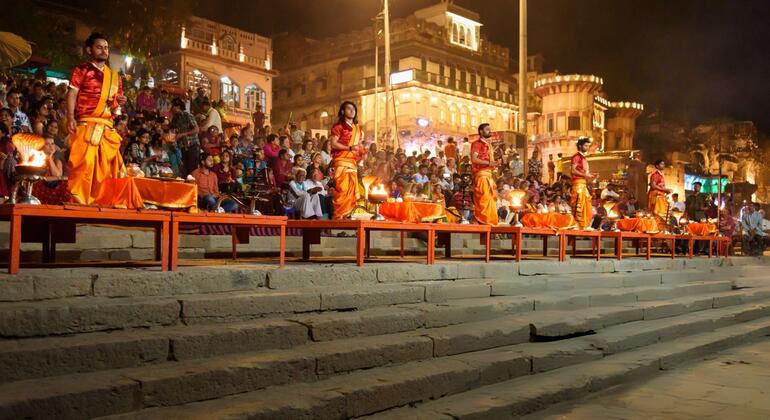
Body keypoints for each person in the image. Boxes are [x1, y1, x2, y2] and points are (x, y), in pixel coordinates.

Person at [65, 32, 143, 208]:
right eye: (99, 47)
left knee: (108, 168)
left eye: (106, 48)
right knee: (84, 165)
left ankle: (105, 202)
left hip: (107, 128)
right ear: (89, 50)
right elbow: (72, 94)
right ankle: (79, 202)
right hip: (86, 123)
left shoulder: (114, 76)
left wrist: (119, 102)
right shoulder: (81, 70)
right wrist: (70, 117)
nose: (104, 51)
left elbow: (116, 107)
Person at [329, 101, 363, 219]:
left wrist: (362, 153)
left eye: (354, 109)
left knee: (352, 190)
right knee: (343, 189)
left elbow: (358, 146)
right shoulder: (338, 127)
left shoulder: (357, 129)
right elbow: (333, 144)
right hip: (341, 161)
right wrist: (349, 148)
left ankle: (349, 215)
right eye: (349, 108)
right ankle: (339, 216)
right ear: (343, 111)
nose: (352, 111)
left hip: (352, 162)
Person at [470, 123, 499, 225]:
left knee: (491, 199)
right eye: (487, 129)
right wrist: (489, 163)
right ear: (481, 132)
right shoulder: (477, 144)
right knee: (484, 198)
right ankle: (483, 221)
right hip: (481, 175)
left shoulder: (488, 145)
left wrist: (494, 164)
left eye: (489, 129)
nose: (489, 131)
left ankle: (490, 223)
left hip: (489, 175)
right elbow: (474, 159)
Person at [169, 97, 199, 177]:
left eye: (173, 107)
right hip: (182, 147)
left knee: (192, 170)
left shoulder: (188, 116)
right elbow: (172, 131)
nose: (171, 109)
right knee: (184, 170)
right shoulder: (175, 118)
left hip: (192, 145)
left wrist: (183, 134)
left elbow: (196, 130)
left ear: (178, 107)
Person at [570, 137, 595, 229]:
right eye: (585, 145)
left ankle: (584, 225)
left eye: (588, 146)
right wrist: (585, 175)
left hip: (583, 183)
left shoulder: (583, 158)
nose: (587, 147)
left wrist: (591, 175)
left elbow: (584, 172)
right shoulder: (576, 157)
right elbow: (573, 170)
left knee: (586, 204)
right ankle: (576, 224)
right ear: (580, 146)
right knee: (579, 203)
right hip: (578, 184)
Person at [648, 159, 672, 229]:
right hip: (655, 196)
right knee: (655, 213)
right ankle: (654, 229)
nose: (663, 165)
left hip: (660, 196)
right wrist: (665, 190)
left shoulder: (661, 175)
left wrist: (665, 191)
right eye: (661, 164)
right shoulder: (655, 174)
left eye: (663, 164)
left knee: (661, 214)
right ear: (657, 166)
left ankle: (660, 229)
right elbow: (653, 185)